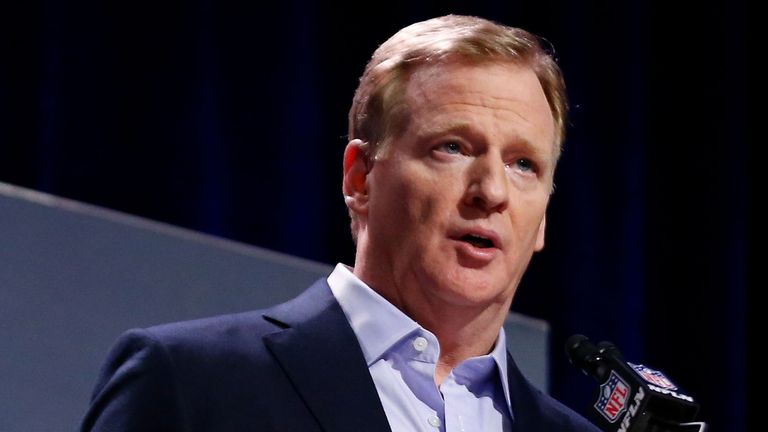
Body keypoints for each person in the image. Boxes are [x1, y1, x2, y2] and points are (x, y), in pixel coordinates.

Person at [80, 14, 600, 432]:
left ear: (543, 219)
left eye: (523, 164)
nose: (491, 191)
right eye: (453, 148)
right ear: (360, 178)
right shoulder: (192, 383)